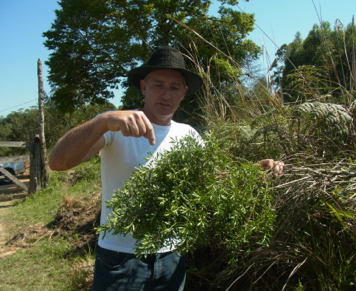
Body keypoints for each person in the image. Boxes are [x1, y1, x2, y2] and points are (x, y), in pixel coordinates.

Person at [49, 46, 284, 291]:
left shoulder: (190, 135)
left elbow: (210, 184)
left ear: (184, 92)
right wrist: (102, 121)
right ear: (143, 87)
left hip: (172, 256)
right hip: (120, 259)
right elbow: (58, 162)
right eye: (158, 85)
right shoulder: (115, 126)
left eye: (174, 87)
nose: (166, 94)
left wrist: (255, 169)